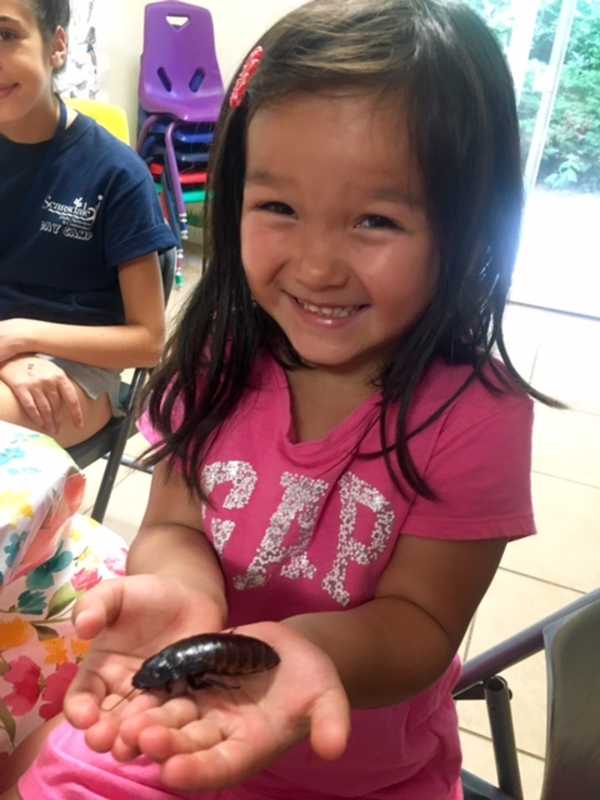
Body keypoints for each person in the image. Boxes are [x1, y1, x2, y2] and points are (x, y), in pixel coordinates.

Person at [2, 0, 558, 797]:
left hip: (362, 770)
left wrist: (308, 650)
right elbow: (172, 522)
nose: (318, 265)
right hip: (182, 713)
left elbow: (423, 621)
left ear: (469, 227)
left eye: (375, 219)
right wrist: (188, 591)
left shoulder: (476, 416)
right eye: (279, 209)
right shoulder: (217, 358)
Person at [0, 0, 176, 448]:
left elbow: (148, 341)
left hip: (73, 365)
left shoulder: (116, 174)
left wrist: (21, 337)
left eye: (5, 36)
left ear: (56, 46)